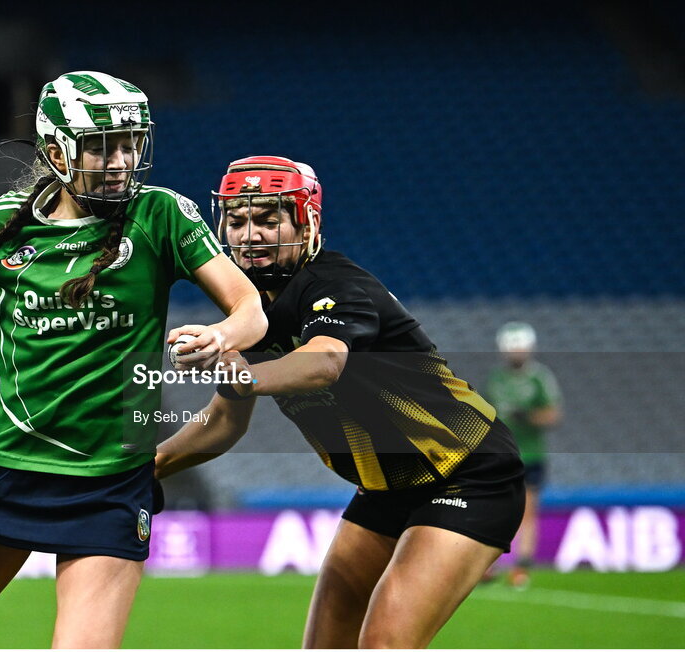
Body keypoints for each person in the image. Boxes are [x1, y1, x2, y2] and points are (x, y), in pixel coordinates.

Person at [0, 71, 266, 649]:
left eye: (129, 144)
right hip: (1, 472)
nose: (120, 160)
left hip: (107, 485)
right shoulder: (6, 219)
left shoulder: (162, 215)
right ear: (55, 152)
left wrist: (224, 333)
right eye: (101, 146)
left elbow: (251, 306)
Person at [155, 156, 526, 649]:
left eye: (268, 219)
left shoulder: (335, 285)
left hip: (468, 472)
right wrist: (143, 468)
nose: (249, 234)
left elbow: (324, 362)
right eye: (238, 219)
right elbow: (224, 423)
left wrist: (246, 376)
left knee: (384, 643)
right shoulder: (250, 309)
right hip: (387, 486)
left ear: (305, 222)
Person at [485, 321, 562, 589]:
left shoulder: (539, 378)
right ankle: (486, 565)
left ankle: (521, 567)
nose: (516, 353)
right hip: (501, 455)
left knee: (526, 514)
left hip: (530, 456)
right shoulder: (496, 379)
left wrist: (528, 417)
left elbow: (553, 414)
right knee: (493, 510)